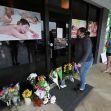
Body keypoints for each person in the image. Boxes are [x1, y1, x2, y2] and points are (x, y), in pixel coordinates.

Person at [74, 27, 93, 92]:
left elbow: (87, 53)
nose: (77, 32)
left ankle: (82, 88)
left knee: (82, 74)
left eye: (78, 31)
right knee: (82, 74)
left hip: (86, 61)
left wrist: (81, 62)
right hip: (82, 61)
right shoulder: (80, 38)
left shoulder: (86, 40)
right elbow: (73, 41)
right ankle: (83, 82)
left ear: (82, 33)